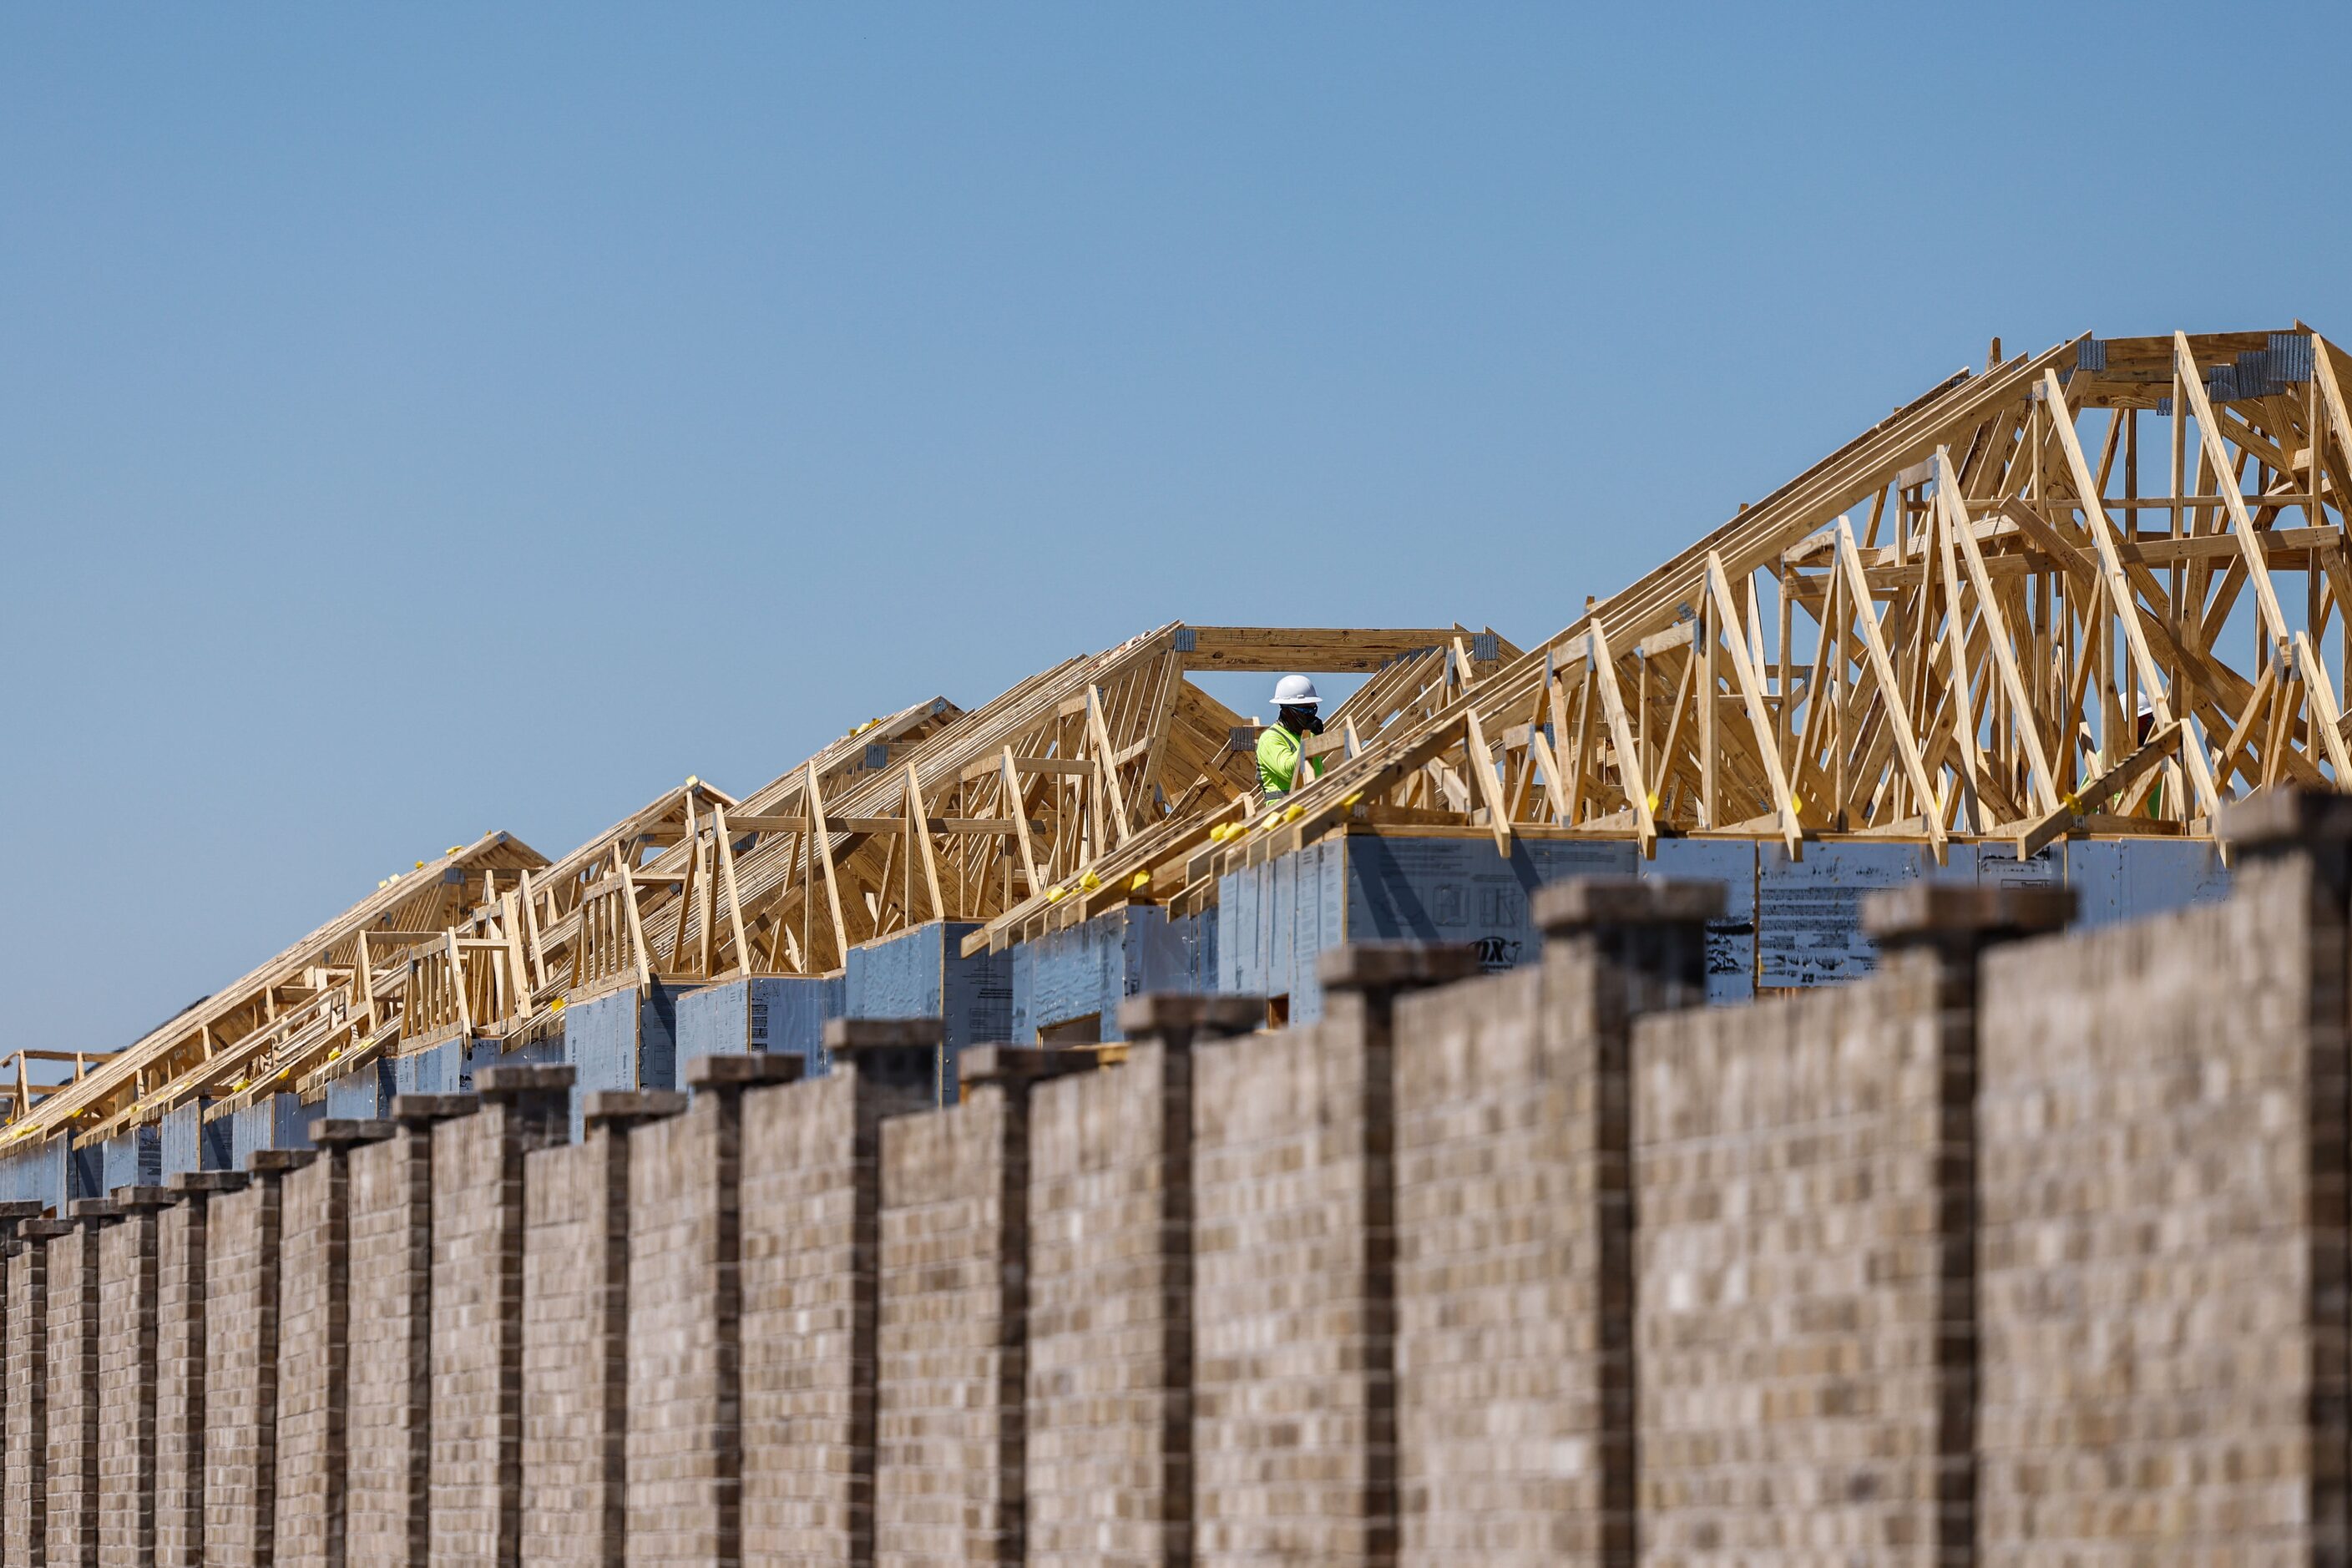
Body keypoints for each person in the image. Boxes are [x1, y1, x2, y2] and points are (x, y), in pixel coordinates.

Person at [1257, 675, 1327, 800]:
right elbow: (1290, 772)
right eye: (1306, 711)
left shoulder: (1306, 736)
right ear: (1286, 711)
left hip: (1310, 807)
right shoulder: (1270, 738)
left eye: (1313, 710)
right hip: (1282, 813)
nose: (1311, 716)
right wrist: (1310, 739)